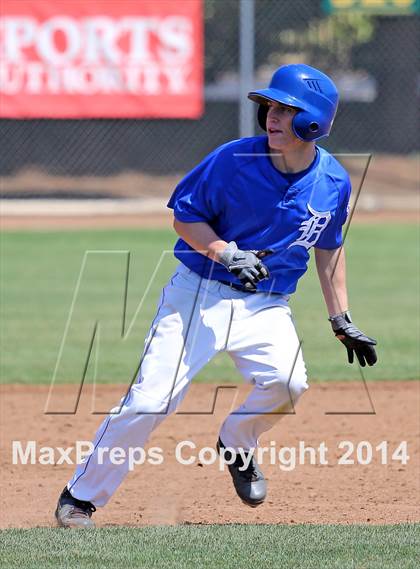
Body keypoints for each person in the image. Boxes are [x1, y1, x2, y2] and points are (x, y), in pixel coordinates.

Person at [55, 64, 377, 528]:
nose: (272, 116)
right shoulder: (232, 159)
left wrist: (341, 318)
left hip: (267, 303)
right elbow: (184, 218)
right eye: (270, 106)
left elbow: (329, 249)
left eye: (287, 110)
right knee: (151, 400)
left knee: (289, 385)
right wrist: (225, 252)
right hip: (198, 294)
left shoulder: (333, 181)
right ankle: (80, 496)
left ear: (313, 123)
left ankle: (238, 442)